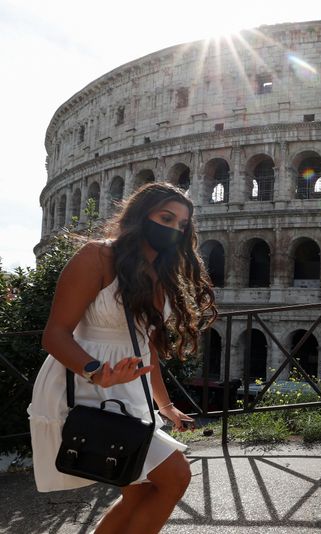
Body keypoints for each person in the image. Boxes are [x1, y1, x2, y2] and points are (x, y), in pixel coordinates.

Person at [28, 182, 217, 533]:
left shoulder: (162, 274)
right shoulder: (97, 257)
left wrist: (165, 405)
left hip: (130, 389)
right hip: (82, 383)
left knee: (138, 492)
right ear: (139, 215)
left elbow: (145, 351)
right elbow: (55, 333)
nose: (174, 228)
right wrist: (96, 372)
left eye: (182, 224)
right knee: (175, 476)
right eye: (166, 217)